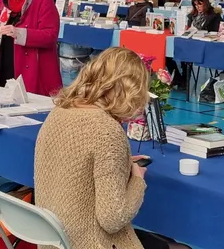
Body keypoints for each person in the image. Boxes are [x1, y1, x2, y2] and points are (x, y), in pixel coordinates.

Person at [35, 47, 190, 249]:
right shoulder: (106, 131)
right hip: (86, 242)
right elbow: (113, 219)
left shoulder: (60, 110)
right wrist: (137, 179)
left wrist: (120, 164)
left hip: (52, 239)